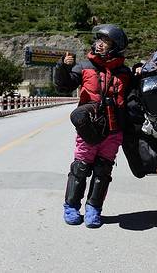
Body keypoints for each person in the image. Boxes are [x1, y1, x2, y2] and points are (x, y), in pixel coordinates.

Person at [54, 24, 132, 228]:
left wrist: (141, 69)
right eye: (98, 39)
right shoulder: (84, 66)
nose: (99, 44)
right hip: (89, 127)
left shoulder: (125, 72)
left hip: (114, 130)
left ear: (116, 46)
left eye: (105, 41)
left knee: (103, 170)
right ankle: (71, 207)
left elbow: (134, 97)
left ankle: (94, 209)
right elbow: (64, 86)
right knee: (80, 167)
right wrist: (62, 67)